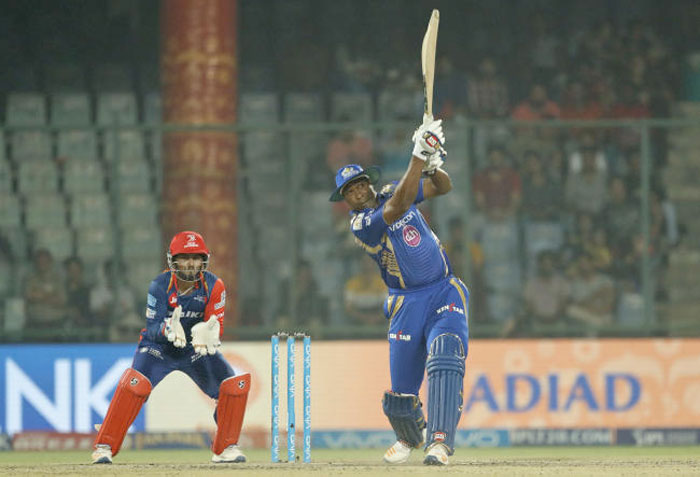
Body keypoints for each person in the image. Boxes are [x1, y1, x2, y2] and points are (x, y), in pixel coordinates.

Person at [329, 117, 469, 466]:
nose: (357, 192)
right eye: (349, 191)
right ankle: (408, 436)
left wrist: (434, 165)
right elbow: (396, 210)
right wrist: (419, 155)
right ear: (346, 200)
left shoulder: (394, 189)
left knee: (446, 354)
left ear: (368, 182)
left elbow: (443, 188)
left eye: (359, 184)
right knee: (401, 395)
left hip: (443, 291)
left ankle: (439, 443)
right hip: (406, 303)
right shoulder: (361, 225)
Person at [92, 231, 250, 465]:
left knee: (233, 386)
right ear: (173, 260)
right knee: (135, 385)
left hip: (194, 348)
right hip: (159, 348)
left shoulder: (215, 285)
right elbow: (152, 326)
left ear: (203, 259)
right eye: (184, 257)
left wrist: (208, 331)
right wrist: (167, 328)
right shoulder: (160, 285)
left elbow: (216, 326)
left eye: (196, 257)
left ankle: (226, 447)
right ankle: (104, 446)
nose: (190, 263)